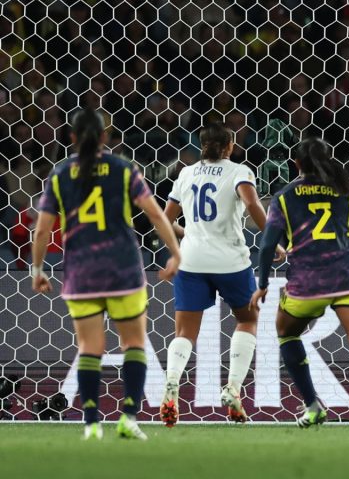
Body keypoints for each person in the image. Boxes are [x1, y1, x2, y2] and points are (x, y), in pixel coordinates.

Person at [31, 109, 181, 440]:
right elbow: (155, 214)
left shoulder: (60, 173)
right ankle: (129, 417)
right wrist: (175, 253)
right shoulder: (124, 169)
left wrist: (37, 269)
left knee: (89, 347)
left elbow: (41, 230)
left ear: (72, 138)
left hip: (81, 272)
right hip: (123, 269)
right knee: (133, 344)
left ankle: (91, 424)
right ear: (104, 136)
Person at [253, 137, 349, 431]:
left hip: (307, 282)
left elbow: (268, 244)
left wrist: (262, 283)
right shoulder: (347, 193)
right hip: (348, 277)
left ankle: (312, 406)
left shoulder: (284, 197)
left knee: (286, 332)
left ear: (296, 164)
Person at [159, 121, 283, 426]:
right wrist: (272, 241)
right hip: (230, 262)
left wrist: (188, 233)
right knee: (247, 320)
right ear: (230, 146)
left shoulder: (186, 173)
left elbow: (165, 219)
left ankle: (172, 382)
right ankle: (233, 388)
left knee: (184, 333)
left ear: (201, 145)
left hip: (191, 261)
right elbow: (252, 203)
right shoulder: (240, 171)